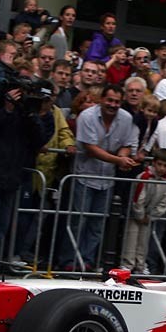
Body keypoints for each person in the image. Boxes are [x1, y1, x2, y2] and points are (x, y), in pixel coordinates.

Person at [0, 44, 55, 279]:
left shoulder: (25, 109)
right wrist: (5, 109)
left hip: (12, 176)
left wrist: (28, 112)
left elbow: (39, 138)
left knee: (2, 229)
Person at [59, 84, 137, 271]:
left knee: (97, 224)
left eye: (117, 101)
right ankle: (68, 262)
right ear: (102, 99)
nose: (113, 104)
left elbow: (127, 144)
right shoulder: (87, 116)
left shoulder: (126, 118)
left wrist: (124, 157)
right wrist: (119, 160)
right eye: (109, 100)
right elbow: (91, 148)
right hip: (85, 175)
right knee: (78, 221)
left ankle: (87, 261)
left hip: (107, 179)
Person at [121, 149, 166, 273]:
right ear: (154, 163)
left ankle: (140, 265)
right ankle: (127, 265)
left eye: (165, 166)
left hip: (149, 216)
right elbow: (138, 198)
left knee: (144, 241)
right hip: (135, 214)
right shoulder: (144, 177)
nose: (161, 168)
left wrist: (151, 216)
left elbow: (163, 203)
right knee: (131, 238)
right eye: (159, 164)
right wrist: (139, 214)